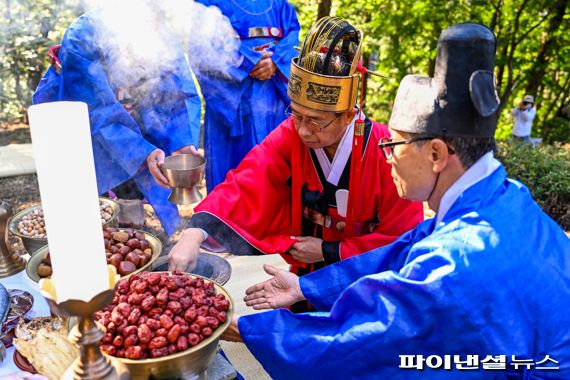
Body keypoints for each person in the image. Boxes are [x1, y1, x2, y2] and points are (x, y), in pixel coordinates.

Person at [219, 23, 570, 379]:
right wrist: (307, 287)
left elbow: (364, 341)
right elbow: (405, 250)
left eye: (393, 145)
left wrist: (254, 332)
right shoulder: (506, 196)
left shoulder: (460, 263)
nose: (387, 157)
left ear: (435, 153)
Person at [169, 17, 424, 312]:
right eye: (297, 114)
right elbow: (248, 178)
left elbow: (404, 239)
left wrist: (332, 251)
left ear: (349, 113)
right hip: (303, 279)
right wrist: (194, 232)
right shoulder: (293, 133)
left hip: (368, 286)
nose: (302, 130)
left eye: (315, 121)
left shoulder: (385, 149)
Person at [32, 8, 201, 236]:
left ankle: (133, 232)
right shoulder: (82, 36)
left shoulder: (160, 33)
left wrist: (180, 142)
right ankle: (95, 235)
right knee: (93, 180)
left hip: (133, 110)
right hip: (80, 113)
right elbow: (98, 111)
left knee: (136, 168)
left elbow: (179, 91)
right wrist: (142, 152)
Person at [193, 0, 300, 192]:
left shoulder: (278, 5)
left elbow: (293, 37)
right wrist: (247, 62)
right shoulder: (207, 2)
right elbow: (199, 45)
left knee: (274, 166)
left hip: (272, 99)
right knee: (234, 175)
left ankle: (273, 220)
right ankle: (226, 221)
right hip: (232, 101)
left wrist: (276, 61)